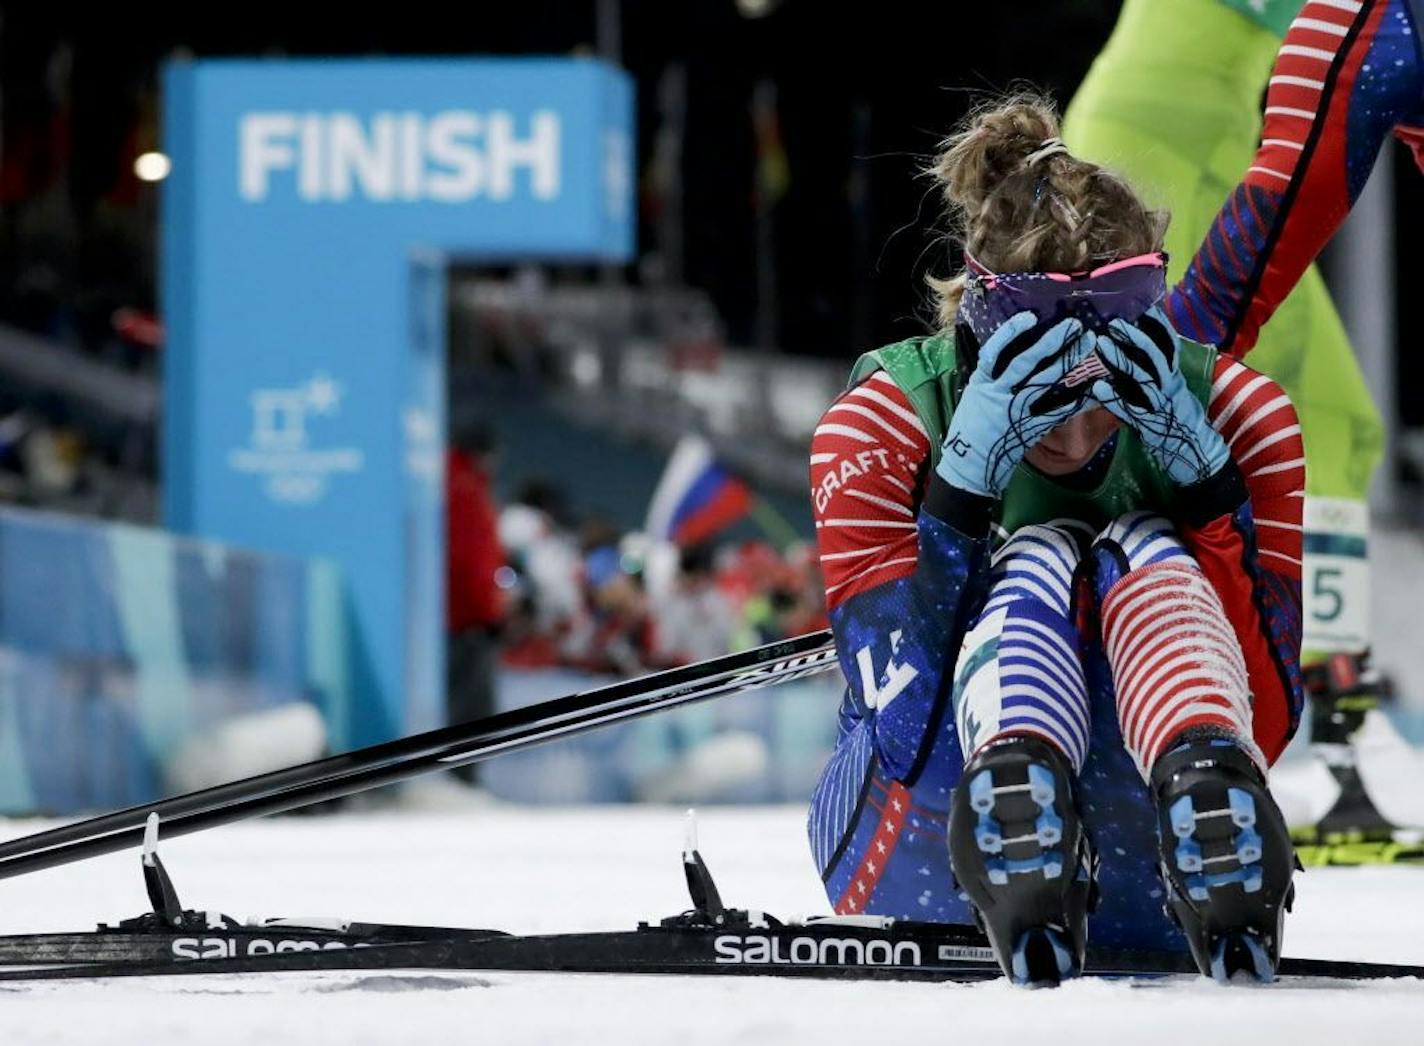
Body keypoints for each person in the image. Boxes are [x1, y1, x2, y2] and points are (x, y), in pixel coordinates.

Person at [806, 97, 1305, 986]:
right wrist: (961, 491)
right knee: (1041, 561)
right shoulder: (882, 422)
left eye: (1101, 394)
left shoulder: (1239, 415)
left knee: (1135, 544)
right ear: (978, 333)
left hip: (1159, 876)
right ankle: (1018, 788)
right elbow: (903, 736)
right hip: (915, 860)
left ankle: (1174, 779)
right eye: (1040, 396)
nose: (1075, 440)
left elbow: (1267, 724)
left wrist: (1205, 485)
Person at [1065, 0, 1422, 853]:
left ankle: (1339, 722)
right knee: (1180, 398)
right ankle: (1124, 690)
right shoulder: (1369, 23)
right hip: (1144, 153)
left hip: (1219, 146)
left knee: (1337, 421)